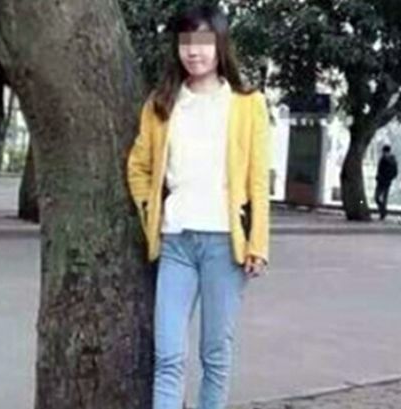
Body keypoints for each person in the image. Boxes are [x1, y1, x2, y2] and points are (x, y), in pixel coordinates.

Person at [127, 6, 270, 409]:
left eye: (203, 42)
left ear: (220, 45)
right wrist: (151, 210)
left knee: (215, 355)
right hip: (175, 243)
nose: (194, 52)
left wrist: (258, 244)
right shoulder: (161, 104)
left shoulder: (248, 104)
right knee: (168, 357)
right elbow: (138, 166)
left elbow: (258, 180)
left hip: (226, 245)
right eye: (185, 43)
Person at [374, 144, 398, 221]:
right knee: (376, 197)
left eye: (386, 153)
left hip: (387, 181)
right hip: (380, 181)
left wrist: (389, 178)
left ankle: (383, 213)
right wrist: (378, 176)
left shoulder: (392, 161)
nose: (384, 154)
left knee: (384, 198)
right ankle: (383, 210)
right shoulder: (382, 159)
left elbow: (395, 172)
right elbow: (379, 169)